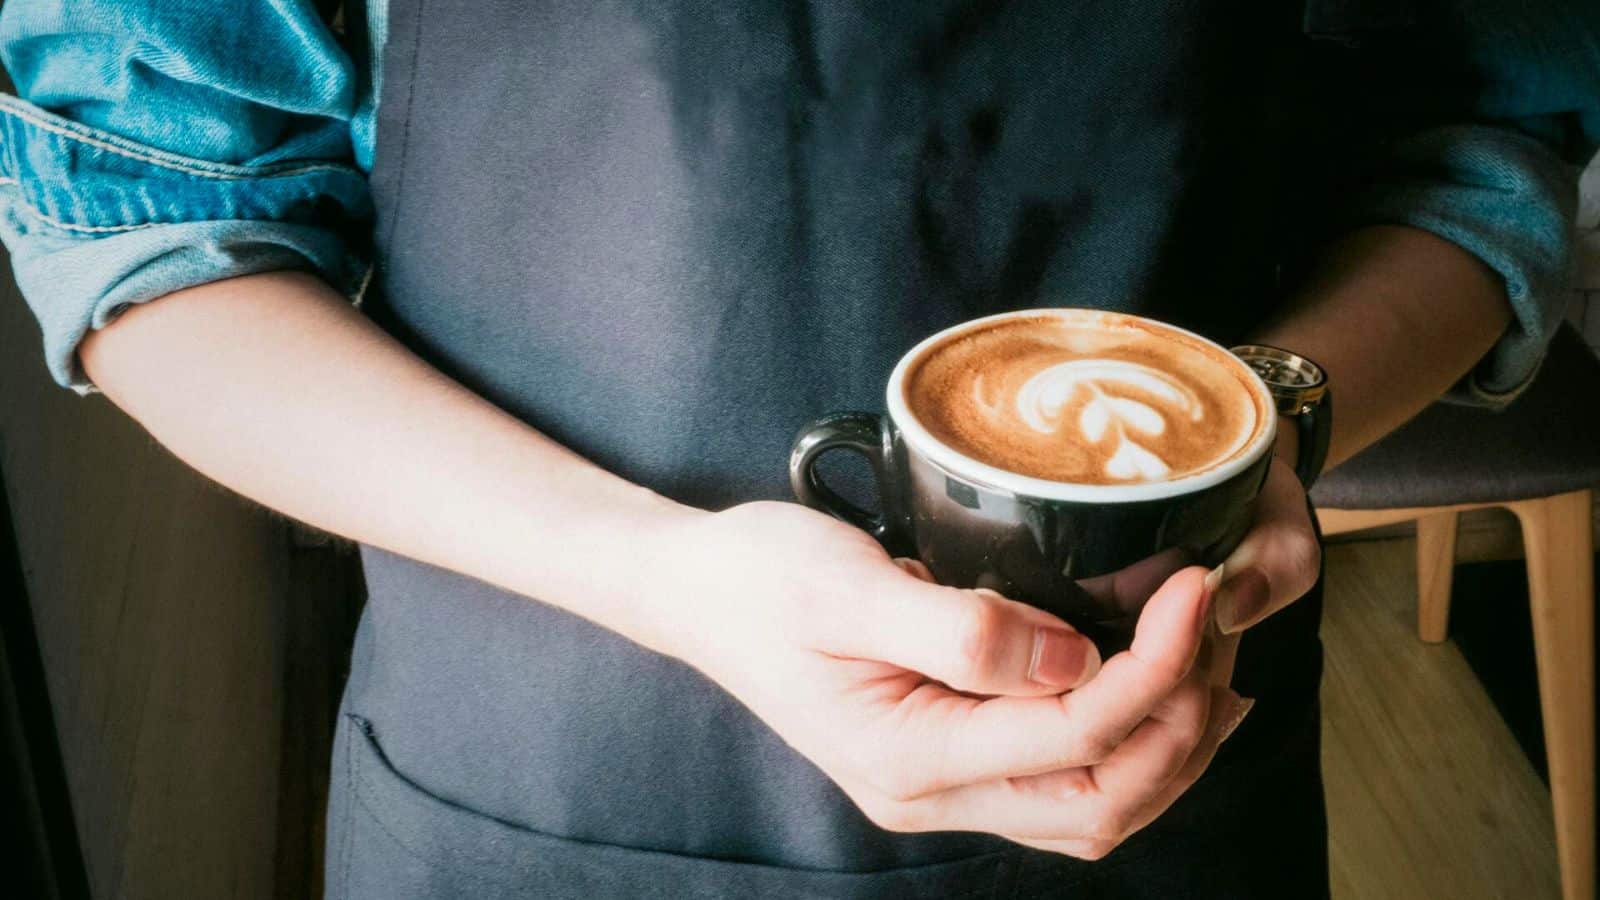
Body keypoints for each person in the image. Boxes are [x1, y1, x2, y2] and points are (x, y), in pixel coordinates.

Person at [0, 1, 1593, 897]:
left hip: (1161, 778)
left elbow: (1476, 135)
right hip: (535, 785)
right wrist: (655, 573)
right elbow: (152, 222)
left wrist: (1276, 420)